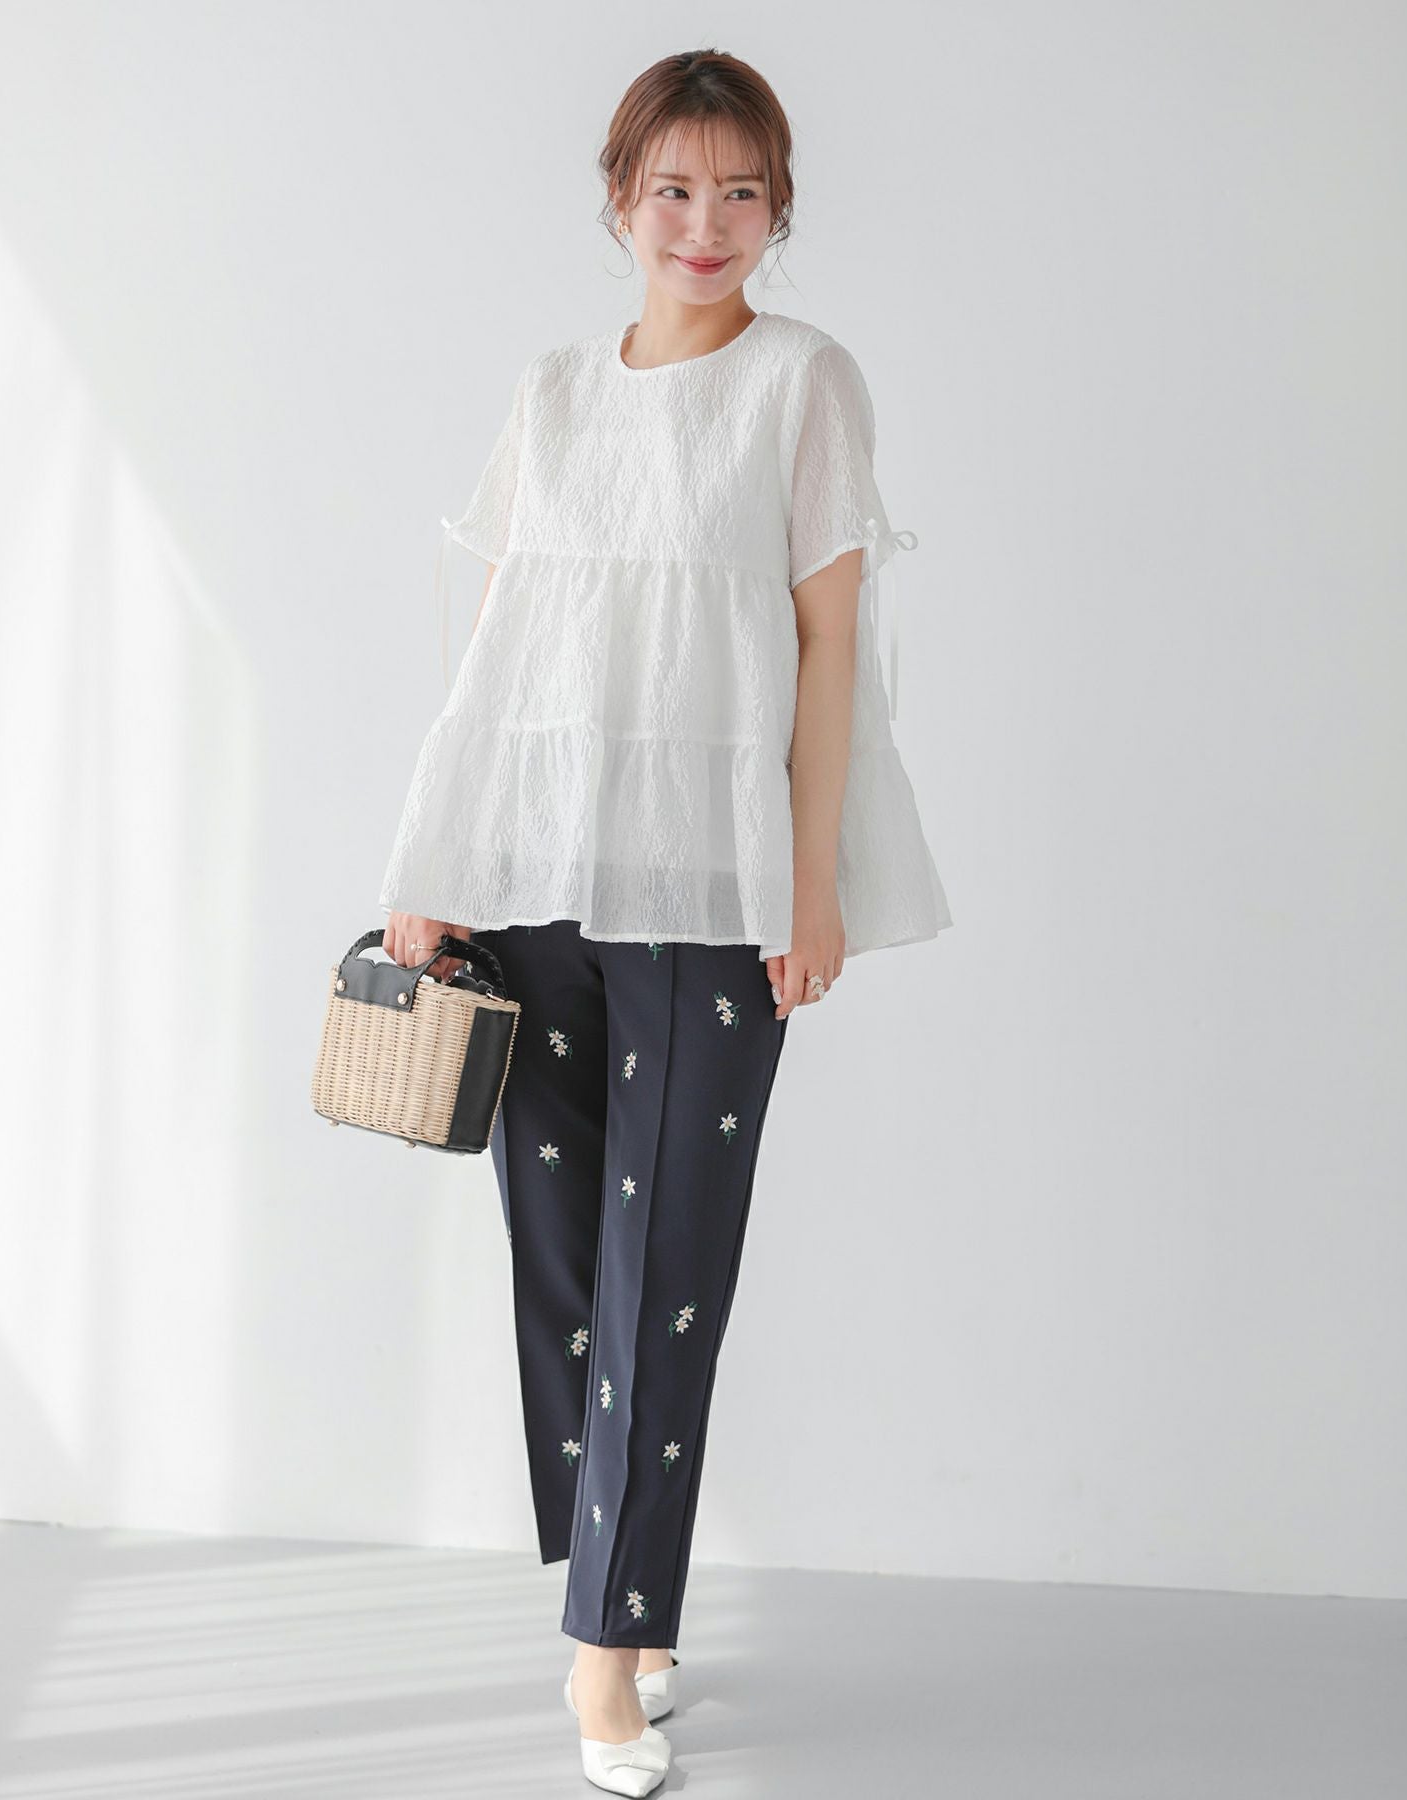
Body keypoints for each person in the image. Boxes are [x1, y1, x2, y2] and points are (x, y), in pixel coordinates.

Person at [379, 46, 951, 1796]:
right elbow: (503, 644)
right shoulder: (554, 389)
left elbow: (831, 647)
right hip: (540, 874)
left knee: (668, 1275)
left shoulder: (803, 382)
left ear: (780, 207)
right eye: (674, 189)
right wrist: (433, 861)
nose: (707, 223)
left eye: (742, 191)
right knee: (561, 1266)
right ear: (621, 200)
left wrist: (808, 881)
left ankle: (603, 1651)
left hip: (714, 893)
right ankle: (624, 1602)